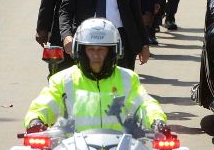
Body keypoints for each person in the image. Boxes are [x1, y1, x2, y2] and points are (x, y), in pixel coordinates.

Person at [25, 18, 169, 135]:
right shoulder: (62, 79)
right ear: (80, 51)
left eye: (101, 49)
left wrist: (157, 121)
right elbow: (44, 104)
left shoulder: (127, 78)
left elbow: (144, 104)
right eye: (90, 49)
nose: (95, 55)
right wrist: (36, 120)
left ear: (113, 51)